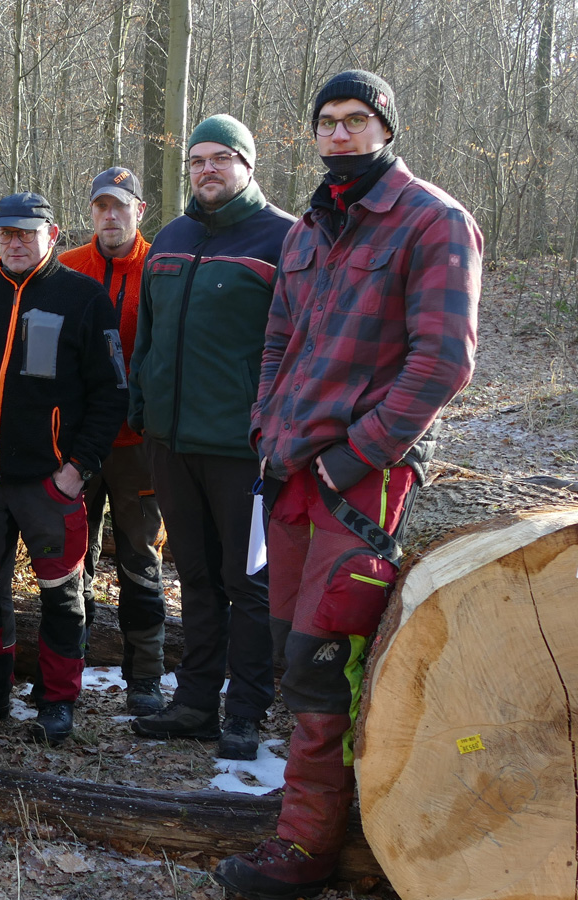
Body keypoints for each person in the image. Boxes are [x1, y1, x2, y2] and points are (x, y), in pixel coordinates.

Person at [215, 71, 481, 900]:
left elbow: (444, 361)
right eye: (327, 122)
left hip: (362, 482)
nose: (340, 135)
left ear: (385, 130)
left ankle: (309, 850)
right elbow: (279, 338)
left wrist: (354, 454)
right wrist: (267, 425)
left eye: (356, 121)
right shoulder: (308, 229)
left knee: (328, 661)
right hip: (290, 470)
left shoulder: (432, 222)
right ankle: (308, 819)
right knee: (298, 658)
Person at [128, 115, 296, 760]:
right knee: (193, 576)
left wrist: (276, 430)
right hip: (171, 444)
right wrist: (143, 411)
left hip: (243, 450)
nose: (207, 170)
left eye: (221, 158)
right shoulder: (169, 239)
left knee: (246, 581)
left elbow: (299, 346)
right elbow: (146, 339)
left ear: (248, 165)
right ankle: (196, 702)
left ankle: (246, 711)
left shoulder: (282, 240)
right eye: (197, 160)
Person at [0, 192, 127, 745]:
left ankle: (58, 700)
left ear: (53, 234)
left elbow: (112, 394)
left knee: (62, 592)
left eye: (26, 233)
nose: (15, 243)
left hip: (49, 483)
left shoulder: (83, 297)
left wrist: (76, 469)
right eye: (5, 234)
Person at [57, 167, 168, 716]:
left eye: (120, 206)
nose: (110, 215)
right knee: (74, 555)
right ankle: (69, 663)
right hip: (77, 444)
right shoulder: (69, 267)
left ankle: (145, 674)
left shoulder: (160, 268)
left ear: (139, 210)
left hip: (137, 446)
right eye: (101, 205)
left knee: (139, 558)